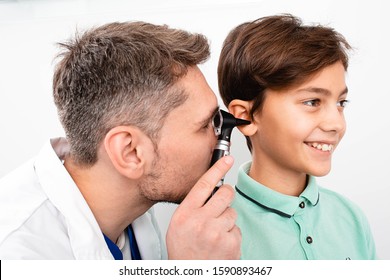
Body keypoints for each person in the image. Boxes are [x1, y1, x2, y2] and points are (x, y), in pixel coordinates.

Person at [0, 21, 241, 259]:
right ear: (130, 152)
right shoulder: (16, 253)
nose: (221, 136)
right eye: (205, 125)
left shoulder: (133, 205)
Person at [217, 14, 376, 259]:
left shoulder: (351, 218)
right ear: (246, 116)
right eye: (312, 101)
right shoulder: (214, 231)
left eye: (341, 102)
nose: (336, 123)